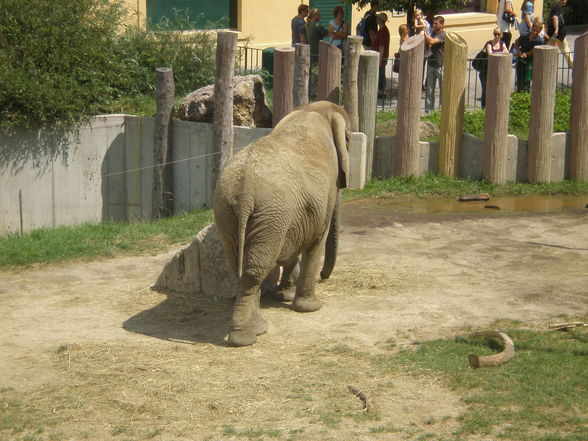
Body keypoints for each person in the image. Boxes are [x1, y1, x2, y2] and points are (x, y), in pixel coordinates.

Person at [479, 27, 509, 108]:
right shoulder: (489, 43)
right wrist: (501, 52)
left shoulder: (502, 43)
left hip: (496, 71)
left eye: (498, 34)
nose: (496, 36)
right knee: (485, 90)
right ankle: (484, 107)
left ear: (501, 35)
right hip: (486, 71)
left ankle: (493, 107)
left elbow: (507, 52)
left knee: (495, 90)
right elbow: (490, 54)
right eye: (495, 34)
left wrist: (501, 52)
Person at [513, 18, 545, 91]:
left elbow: (534, 51)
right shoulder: (524, 35)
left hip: (530, 63)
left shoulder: (539, 41)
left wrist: (526, 54)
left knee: (527, 83)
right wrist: (520, 53)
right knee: (519, 82)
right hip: (521, 61)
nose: (535, 32)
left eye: (537, 31)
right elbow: (516, 44)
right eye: (534, 30)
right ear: (532, 28)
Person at [424, 16, 445, 113]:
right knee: (429, 90)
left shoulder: (442, 34)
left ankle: (442, 112)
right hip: (431, 64)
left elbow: (432, 41)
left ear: (441, 24)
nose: (433, 25)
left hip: (441, 65)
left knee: (443, 90)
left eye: (436, 24)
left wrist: (424, 33)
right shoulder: (431, 34)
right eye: (433, 23)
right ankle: (429, 112)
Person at [547, 0, 573, 68]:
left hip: (553, 33)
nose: (566, 1)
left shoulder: (556, 6)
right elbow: (555, 18)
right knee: (565, 49)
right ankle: (572, 64)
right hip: (558, 33)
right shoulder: (558, 6)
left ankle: (544, 64)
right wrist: (556, 29)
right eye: (564, 0)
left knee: (547, 48)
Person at [372, 12, 390, 96]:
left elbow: (382, 46)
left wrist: (379, 59)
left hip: (381, 57)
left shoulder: (383, 31)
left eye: (377, 18)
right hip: (380, 56)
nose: (376, 19)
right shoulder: (382, 30)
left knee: (381, 74)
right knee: (380, 74)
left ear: (380, 20)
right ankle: (380, 91)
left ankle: (381, 92)